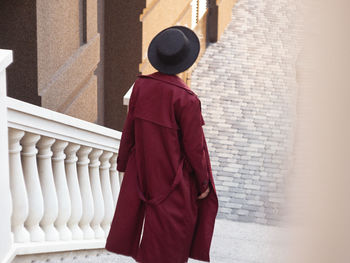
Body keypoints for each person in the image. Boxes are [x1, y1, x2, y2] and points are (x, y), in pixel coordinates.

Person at [105, 26, 218, 263]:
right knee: (171, 246)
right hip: (174, 180)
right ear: (184, 62)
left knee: (149, 243)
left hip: (144, 174)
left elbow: (130, 130)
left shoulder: (141, 86)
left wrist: (124, 163)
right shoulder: (186, 100)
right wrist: (203, 183)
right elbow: (194, 149)